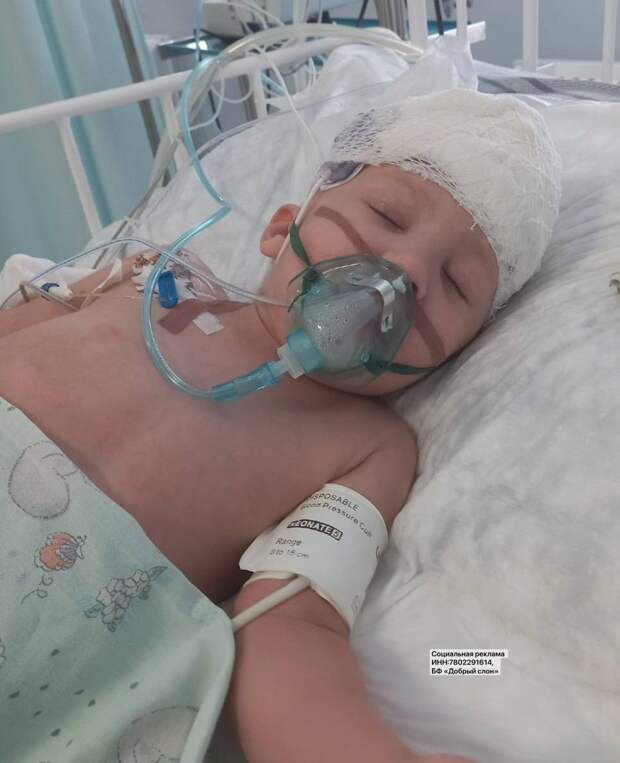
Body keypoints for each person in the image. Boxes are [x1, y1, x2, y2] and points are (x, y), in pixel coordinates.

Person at [0, 89, 560, 763]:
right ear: (281, 227)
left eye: (457, 284)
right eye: (387, 214)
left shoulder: (367, 448)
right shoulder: (150, 275)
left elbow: (288, 625)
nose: (407, 274)